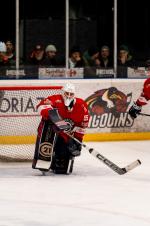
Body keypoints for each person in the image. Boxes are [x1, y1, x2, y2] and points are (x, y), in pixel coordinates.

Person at [32, 83, 90, 174]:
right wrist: (52, 115)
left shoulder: (81, 105)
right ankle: (44, 159)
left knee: (62, 170)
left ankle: (56, 160)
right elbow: (40, 106)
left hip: (65, 135)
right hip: (49, 133)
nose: (69, 96)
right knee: (43, 165)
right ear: (63, 92)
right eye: (67, 93)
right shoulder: (55, 99)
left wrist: (78, 141)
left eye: (71, 94)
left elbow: (82, 126)